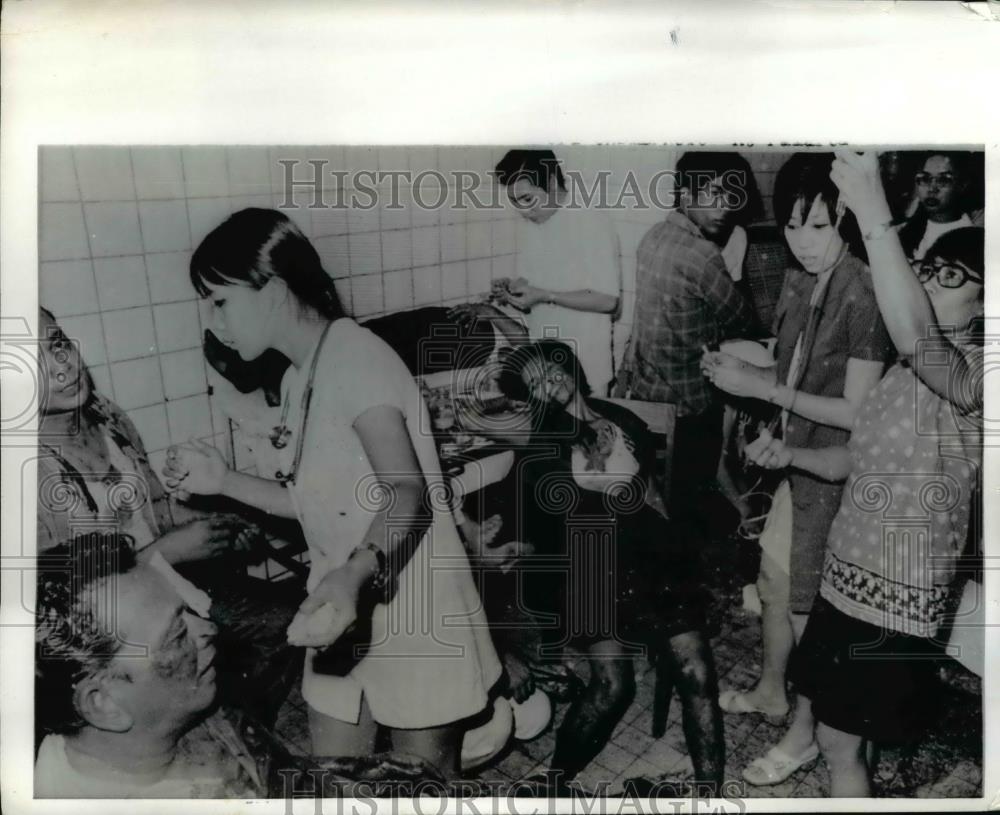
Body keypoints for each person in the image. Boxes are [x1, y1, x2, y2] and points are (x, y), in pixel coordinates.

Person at [162, 209, 501, 779]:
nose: (211, 321)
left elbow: (405, 490)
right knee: (336, 779)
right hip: (343, 602)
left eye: (219, 300)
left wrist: (353, 572)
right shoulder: (300, 377)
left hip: (412, 602)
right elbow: (314, 500)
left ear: (271, 290)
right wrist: (223, 481)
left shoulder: (357, 355)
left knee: (421, 788)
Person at [747, 152, 983, 797]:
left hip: (896, 596)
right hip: (847, 577)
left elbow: (914, 336)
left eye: (953, 276)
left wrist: (875, 216)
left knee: (839, 744)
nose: (932, 282)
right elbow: (860, 457)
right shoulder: (910, 375)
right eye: (928, 270)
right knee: (835, 728)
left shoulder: (977, 378)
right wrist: (792, 457)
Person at [700, 153, 892, 786]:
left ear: (847, 221)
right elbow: (788, 368)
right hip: (797, 466)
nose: (803, 243)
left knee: (812, 612)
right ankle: (772, 691)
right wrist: (741, 373)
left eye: (817, 227)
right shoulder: (798, 279)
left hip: (835, 474)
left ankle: (806, 733)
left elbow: (856, 413)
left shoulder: (863, 289)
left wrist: (769, 394)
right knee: (776, 581)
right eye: (790, 226)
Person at [35, 306, 302, 728]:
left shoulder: (105, 414)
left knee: (289, 623)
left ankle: (238, 728)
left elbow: (147, 512)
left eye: (58, 344)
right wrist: (168, 552)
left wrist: (217, 529)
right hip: (114, 629)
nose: (63, 367)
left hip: (170, 581)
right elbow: (54, 609)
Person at [34, 533, 445, 797]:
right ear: (103, 703)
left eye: (188, 613)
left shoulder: (179, 708)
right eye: (177, 636)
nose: (208, 627)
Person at [497, 340, 724, 792]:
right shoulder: (541, 443)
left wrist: (679, 557)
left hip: (654, 560)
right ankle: (555, 782)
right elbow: (542, 520)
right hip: (595, 566)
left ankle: (711, 794)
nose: (550, 384)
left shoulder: (623, 419)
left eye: (553, 370)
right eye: (535, 384)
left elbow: (654, 492)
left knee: (698, 674)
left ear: (571, 367)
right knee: (613, 687)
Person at [616, 151, 761, 587]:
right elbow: (743, 321)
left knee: (663, 501)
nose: (724, 206)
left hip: (647, 393)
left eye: (731, 196)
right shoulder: (701, 254)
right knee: (688, 512)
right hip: (690, 402)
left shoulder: (653, 237)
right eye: (712, 193)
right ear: (684, 193)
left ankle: (665, 584)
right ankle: (684, 594)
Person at [490, 149, 621, 396]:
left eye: (527, 199)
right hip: (544, 367)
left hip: (586, 369)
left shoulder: (591, 222)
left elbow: (609, 301)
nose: (522, 210)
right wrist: (513, 289)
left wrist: (544, 295)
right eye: (515, 202)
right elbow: (536, 285)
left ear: (550, 182)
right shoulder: (535, 224)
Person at [898, 151, 982, 261]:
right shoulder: (902, 231)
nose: (932, 188)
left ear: (962, 185)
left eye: (943, 180)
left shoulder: (971, 238)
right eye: (925, 179)